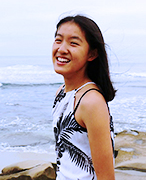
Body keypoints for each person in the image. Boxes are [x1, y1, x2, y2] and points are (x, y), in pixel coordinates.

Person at [52, 15, 116, 180]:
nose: (62, 49)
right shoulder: (61, 93)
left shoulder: (91, 101)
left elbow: (106, 177)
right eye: (58, 40)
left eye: (73, 43)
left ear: (92, 54)